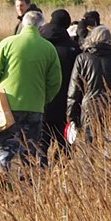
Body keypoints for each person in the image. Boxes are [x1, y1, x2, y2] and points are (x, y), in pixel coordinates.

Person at [0, 10, 63, 173]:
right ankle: (27, 185)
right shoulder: (48, 48)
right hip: (35, 106)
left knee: (5, 146)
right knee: (30, 148)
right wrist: (44, 98)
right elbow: (55, 81)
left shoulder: (8, 43)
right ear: (41, 27)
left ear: (24, 24)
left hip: (8, 104)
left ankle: (2, 183)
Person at [66, 23, 111, 145]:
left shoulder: (82, 59)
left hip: (89, 109)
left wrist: (71, 116)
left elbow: (74, 91)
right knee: (110, 148)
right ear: (110, 40)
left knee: (90, 147)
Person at [38, 9, 77, 148]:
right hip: (63, 102)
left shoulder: (39, 42)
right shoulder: (72, 48)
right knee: (64, 145)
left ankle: (40, 168)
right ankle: (62, 169)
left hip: (40, 100)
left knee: (41, 144)